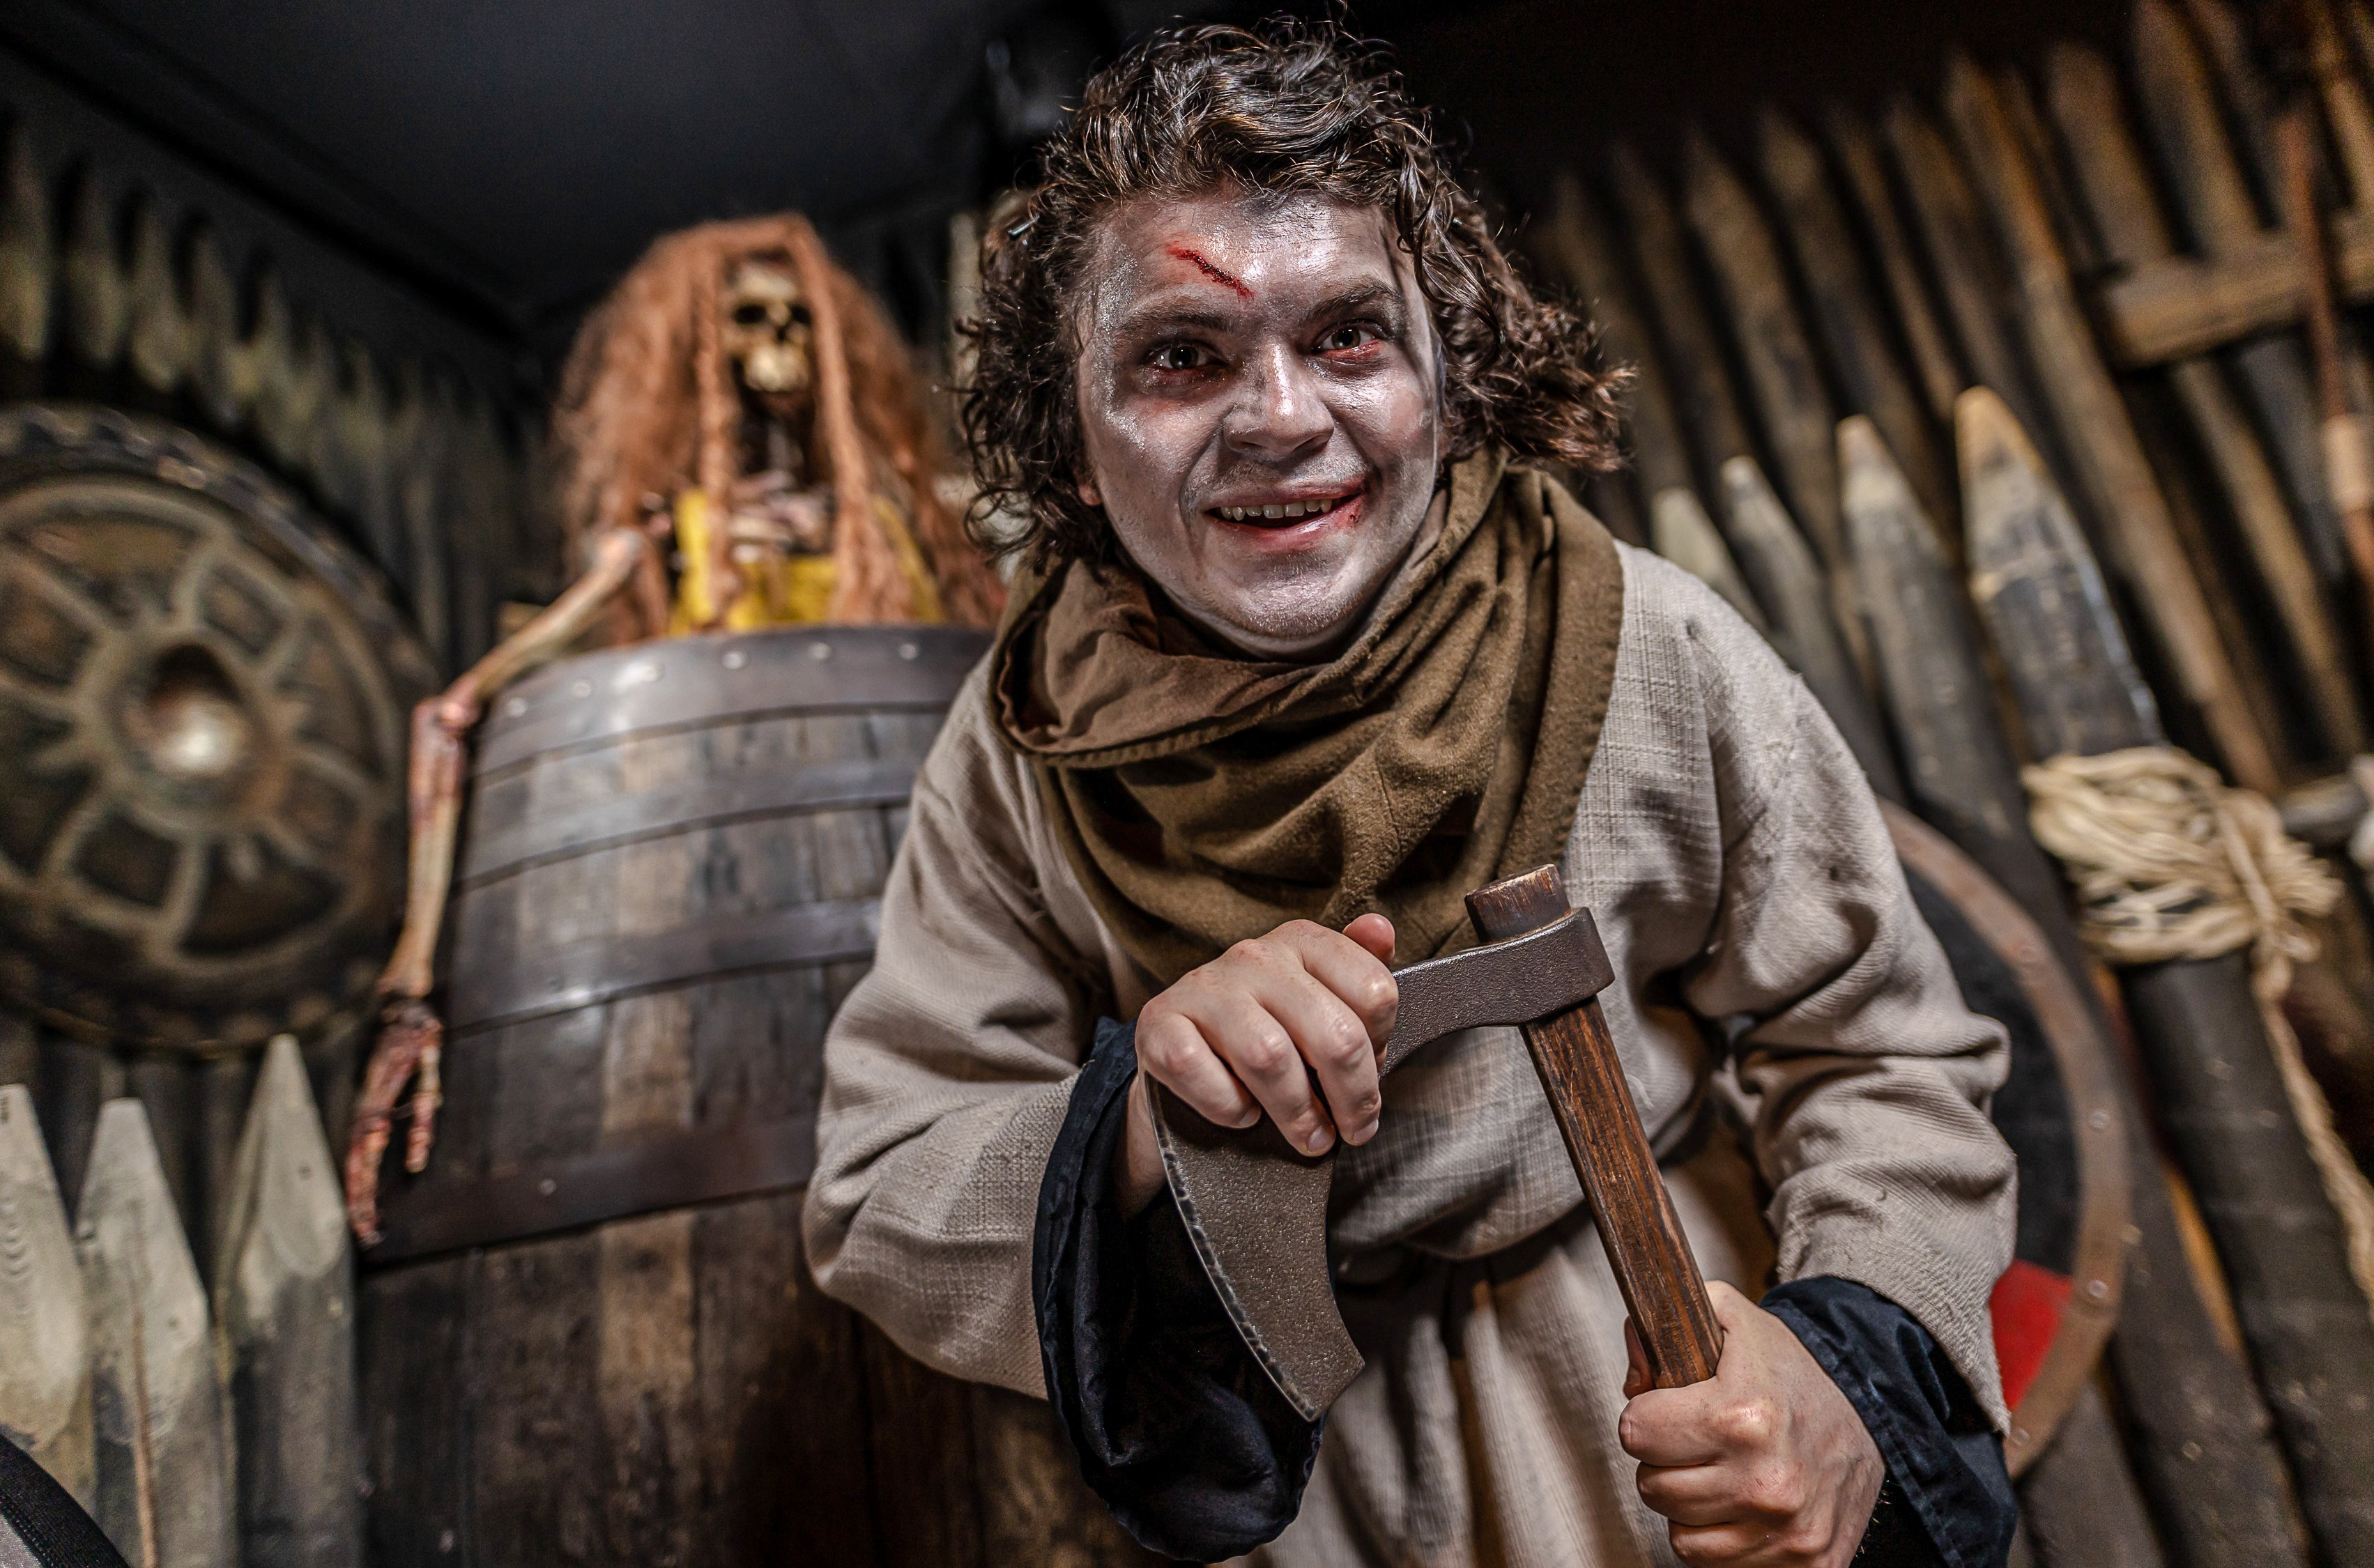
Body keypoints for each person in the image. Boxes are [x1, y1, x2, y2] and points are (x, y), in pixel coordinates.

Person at [805, 20, 2016, 1567]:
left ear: (1448, 361)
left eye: (1348, 338)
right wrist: (1143, 1118)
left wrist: (1845, 1377)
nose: (1282, 419)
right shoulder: (1019, 751)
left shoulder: (1643, 643)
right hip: (1308, 1490)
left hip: (1667, 1420)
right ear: (1071, 425)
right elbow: (881, 1191)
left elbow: (1884, 1049)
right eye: (1182, 356)